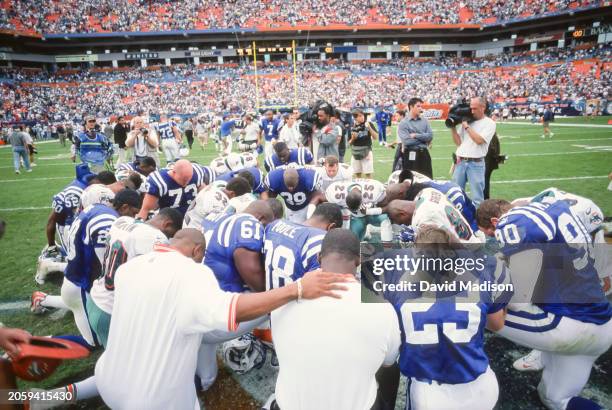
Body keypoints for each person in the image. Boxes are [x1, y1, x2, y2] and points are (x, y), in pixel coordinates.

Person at [94, 228, 350, 410]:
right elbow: (232, 310)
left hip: (107, 377)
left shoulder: (130, 268)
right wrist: (297, 289)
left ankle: (55, 396)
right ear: (197, 251)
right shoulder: (191, 272)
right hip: (153, 399)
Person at [489, 199, 612, 410]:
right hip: (603, 327)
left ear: (495, 221)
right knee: (555, 398)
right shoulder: (557, 208)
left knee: (474, 307)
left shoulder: (515, 222)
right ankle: (543, 354)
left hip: (566, 326)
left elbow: (519, 301)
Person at [270, 228, 400, 410]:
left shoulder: (282, 301)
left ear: (318, 257)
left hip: (288, 406)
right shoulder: (383, 308)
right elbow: (389, 363)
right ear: (359, 261)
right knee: (389, 368)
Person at [381, 226, 508, 410]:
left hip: (431, 394)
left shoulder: (396, 281)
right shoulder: (482, 274)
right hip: (482, 386)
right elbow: (497, 324)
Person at [31, 188, 142, 347]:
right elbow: (104, 264)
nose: (133, 217)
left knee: (78, 305)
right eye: (133, 212)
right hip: (82, 285)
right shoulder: (107, 220)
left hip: (75, 280)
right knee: (92, 342)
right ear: (124, 207)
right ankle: (36, 343)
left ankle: (43, 299)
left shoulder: (92, 211)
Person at [263, 202, 343, 289]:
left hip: (267, 297)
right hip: (294, 299)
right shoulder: (320, 239)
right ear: (331, 227)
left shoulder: (275, 225)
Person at [450, 97, 496, 207]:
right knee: (455, 194)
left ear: (483, 108)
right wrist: (452, 128)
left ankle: (477, 222)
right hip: (460, 161)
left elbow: (479, 141)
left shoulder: (489, 123)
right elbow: (458, 142)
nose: (472, 111)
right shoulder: (468, 120)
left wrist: (466, 126)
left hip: (476, 163)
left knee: (477, 197)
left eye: (475, 109)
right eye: (471, 108)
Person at [137, 159, 208, 219]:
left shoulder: (197, 173)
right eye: (183, 180)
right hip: (170, 220)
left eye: (189, 179)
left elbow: (204, 194)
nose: (186, 183)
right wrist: (138, 223)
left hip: (193, 217)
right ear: (174, 172)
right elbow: (145, 209)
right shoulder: (161, 181)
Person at [183, 177, 252, 229]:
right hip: (194, 230)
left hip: (191, 219)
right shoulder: (219, 204)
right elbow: (213, 228)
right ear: (232, 193)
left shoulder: (218, 184)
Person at [397, 98, 433, 178]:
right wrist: (424, 139)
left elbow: (430, 136)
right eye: (418, 106)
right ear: (411, 107)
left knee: (427, 180)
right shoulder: (403, 123)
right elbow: (407, 141)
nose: (421, 108)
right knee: (410, 181)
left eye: (421, 106)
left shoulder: (425, 121)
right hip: (410, 153)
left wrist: (416, 135)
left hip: (424, 154)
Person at [349, 109, 378, 178]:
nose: (362, 117)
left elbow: (375, 137)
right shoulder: (352, 127)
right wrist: (353, 138)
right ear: (355, 118)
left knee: (368, 173)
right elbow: (349, 143)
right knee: (357, 173)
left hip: (366, 152)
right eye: (359, 116)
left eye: (362, 115)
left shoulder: (368, 124)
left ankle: (369, 188)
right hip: (355, 152)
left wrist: (369, 128)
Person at [484, 133, 503, 200]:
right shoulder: (491, 129)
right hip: (489, 158)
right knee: (485, 180)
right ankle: (485, 199)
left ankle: (485, 199)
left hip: (487, 159)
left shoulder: (487, 128)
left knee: (484, 180)